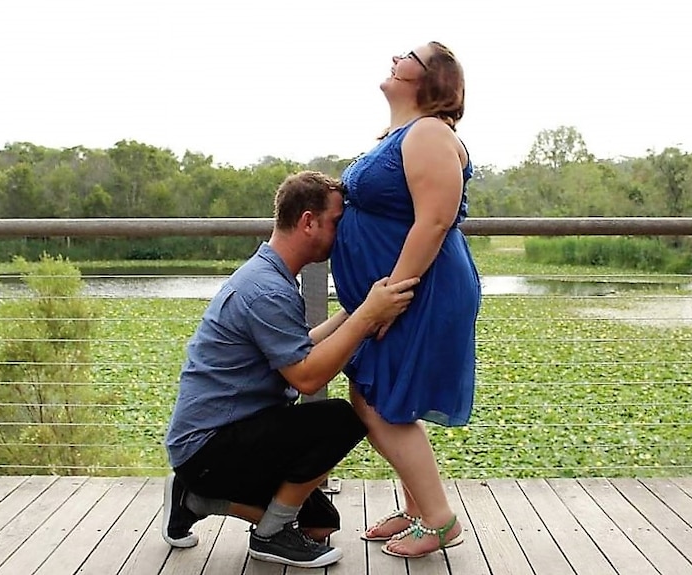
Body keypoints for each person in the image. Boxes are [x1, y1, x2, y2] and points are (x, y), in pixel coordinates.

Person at [163, 170, 419, 568]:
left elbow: (298, 348)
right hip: (208, 446)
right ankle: (271, 535)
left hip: (230, 438)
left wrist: (356, 309)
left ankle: (194, 499)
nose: (341, 233)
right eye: (336, 222)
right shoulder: (266, 289)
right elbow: (307, 377)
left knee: (321, 524)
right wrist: (367, 317)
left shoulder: (272, 276)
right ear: (307, 221)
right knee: (340, 420)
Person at [330, 41, 480, 559]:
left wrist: (392, 293)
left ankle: (438, 518)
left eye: (408, 55)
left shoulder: (430, 133)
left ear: (431, 78)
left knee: (380, 401)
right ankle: (418, 508)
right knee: (382, 396)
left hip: (420, 291)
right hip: (401, 290)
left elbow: (435, 219)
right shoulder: (399, 136)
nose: (395, 57)